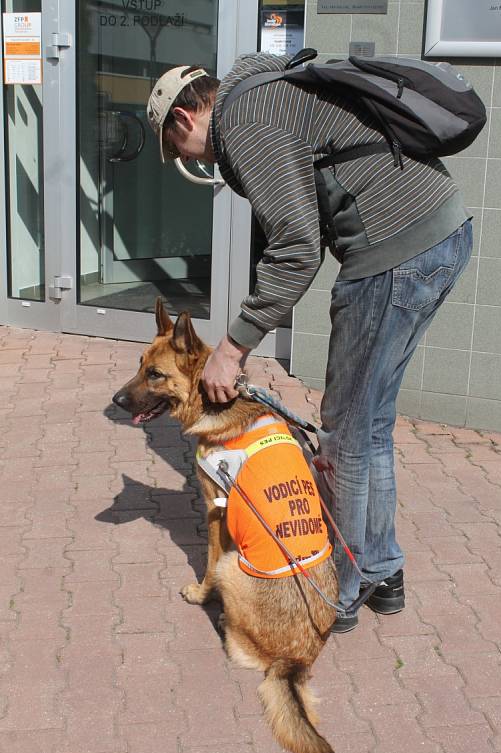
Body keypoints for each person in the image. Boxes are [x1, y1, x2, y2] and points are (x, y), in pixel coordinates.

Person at [146, 55, 473, 633]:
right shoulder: (264, 94)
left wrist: (233, 346)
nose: (192, 160)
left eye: (180, 149)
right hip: (434, 234)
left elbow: (296, 246)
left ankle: (341, 590)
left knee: (346, 431)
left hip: (395, 253)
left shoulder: (243, 120)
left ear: (184, 117)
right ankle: (381, 567)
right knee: (367, 425)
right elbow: (293, 227)